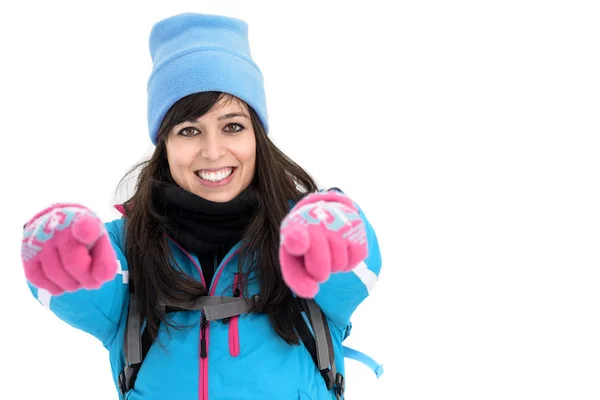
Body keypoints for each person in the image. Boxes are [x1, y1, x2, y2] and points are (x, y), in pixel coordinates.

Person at [20, 12, 382, 400]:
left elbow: (354, 269)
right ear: (165, 144)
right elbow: (81, 290)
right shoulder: (126, 247)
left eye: (233, 126)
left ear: (257, 136)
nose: (213, 152)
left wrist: (341, 232)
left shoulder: (303, 236)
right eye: (189, 130)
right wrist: (60, 254)